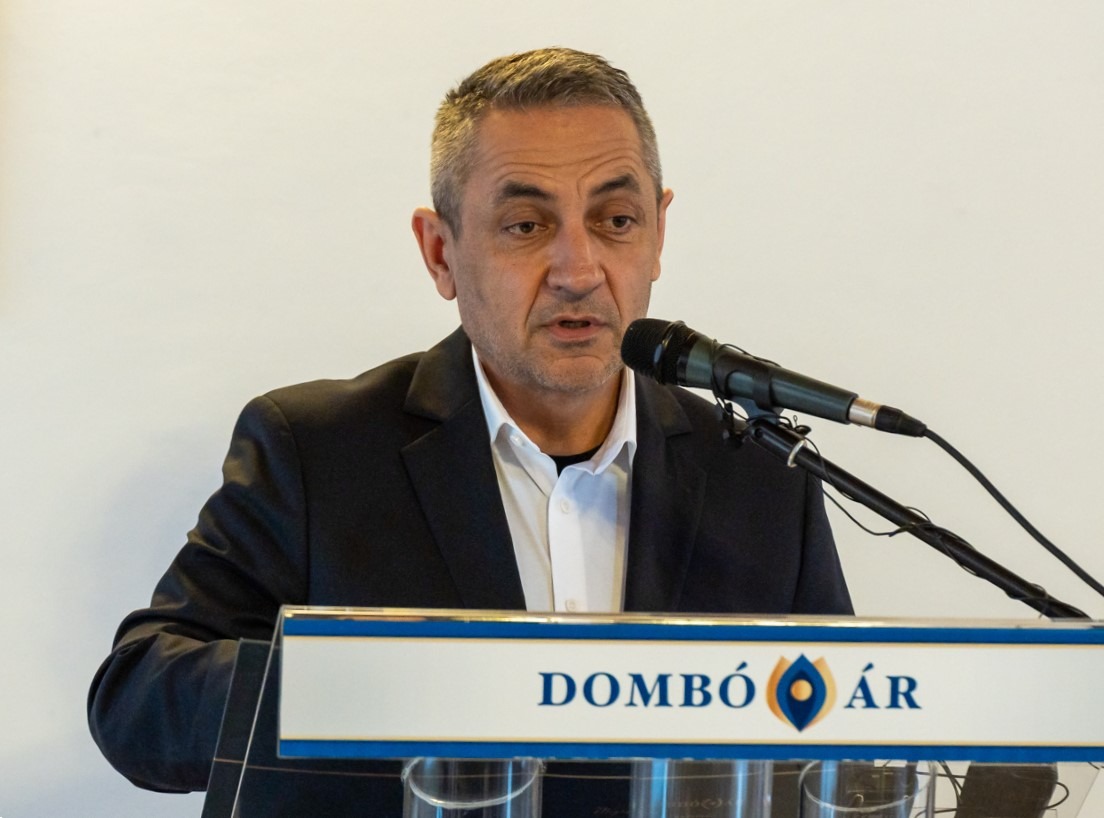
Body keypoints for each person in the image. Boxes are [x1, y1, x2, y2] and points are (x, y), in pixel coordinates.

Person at [88, 47, 853, 812]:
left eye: (616, 220)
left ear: (657, 234)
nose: (578, 268)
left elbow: (840, 745)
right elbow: (139, 704)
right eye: (525, 225)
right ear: (440, 252)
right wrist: (383, 681)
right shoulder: (316, 450)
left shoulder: (760, 474)